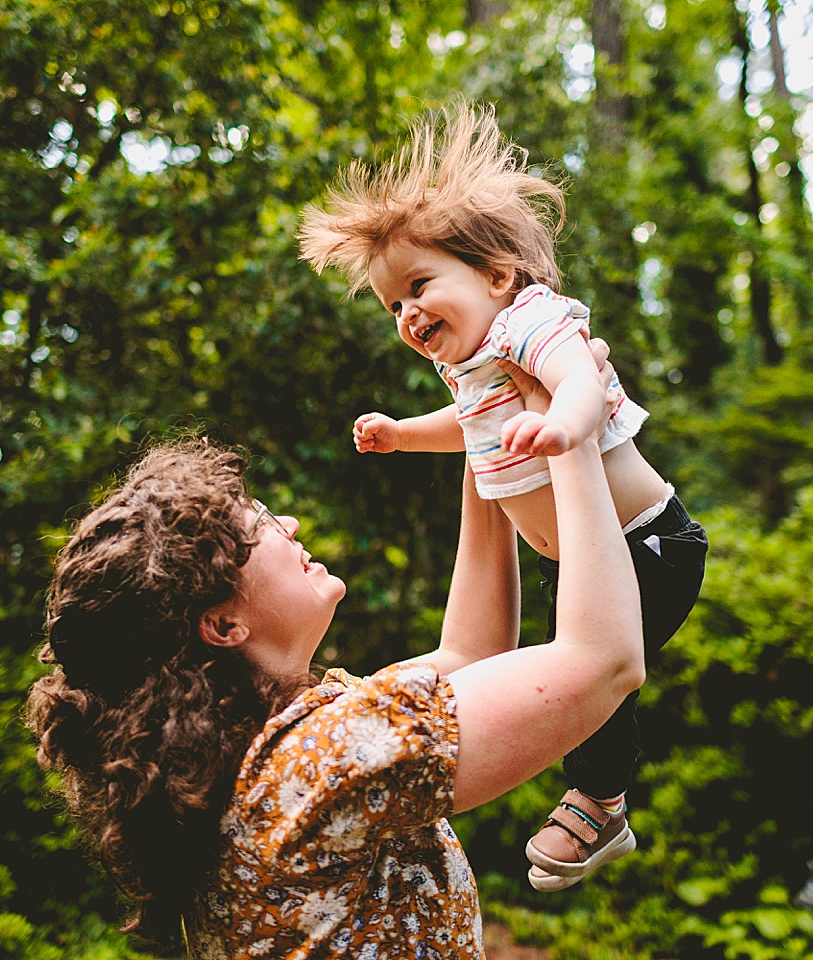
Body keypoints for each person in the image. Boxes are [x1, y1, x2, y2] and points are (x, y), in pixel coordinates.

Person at [25, 350, 643, 959]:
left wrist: (488, 424)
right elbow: (604, 661)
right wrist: (572, 431)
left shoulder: (275, 752)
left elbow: (471, 651)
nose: (288, 523)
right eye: (256, 527)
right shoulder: (315, 762)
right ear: (222, 622)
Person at [298, 102, 708, 891]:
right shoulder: (474, 363)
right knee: (563, 678)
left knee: (588, 685)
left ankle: (602, 800)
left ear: (494, 275)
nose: (408, 314)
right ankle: (602, 793)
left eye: (418, 286)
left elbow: (580, 377)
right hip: (590, 555)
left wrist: (565, 429)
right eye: (393, 306)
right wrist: (402, 434)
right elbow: (469, 423)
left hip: (651, 542)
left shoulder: (530, 321)